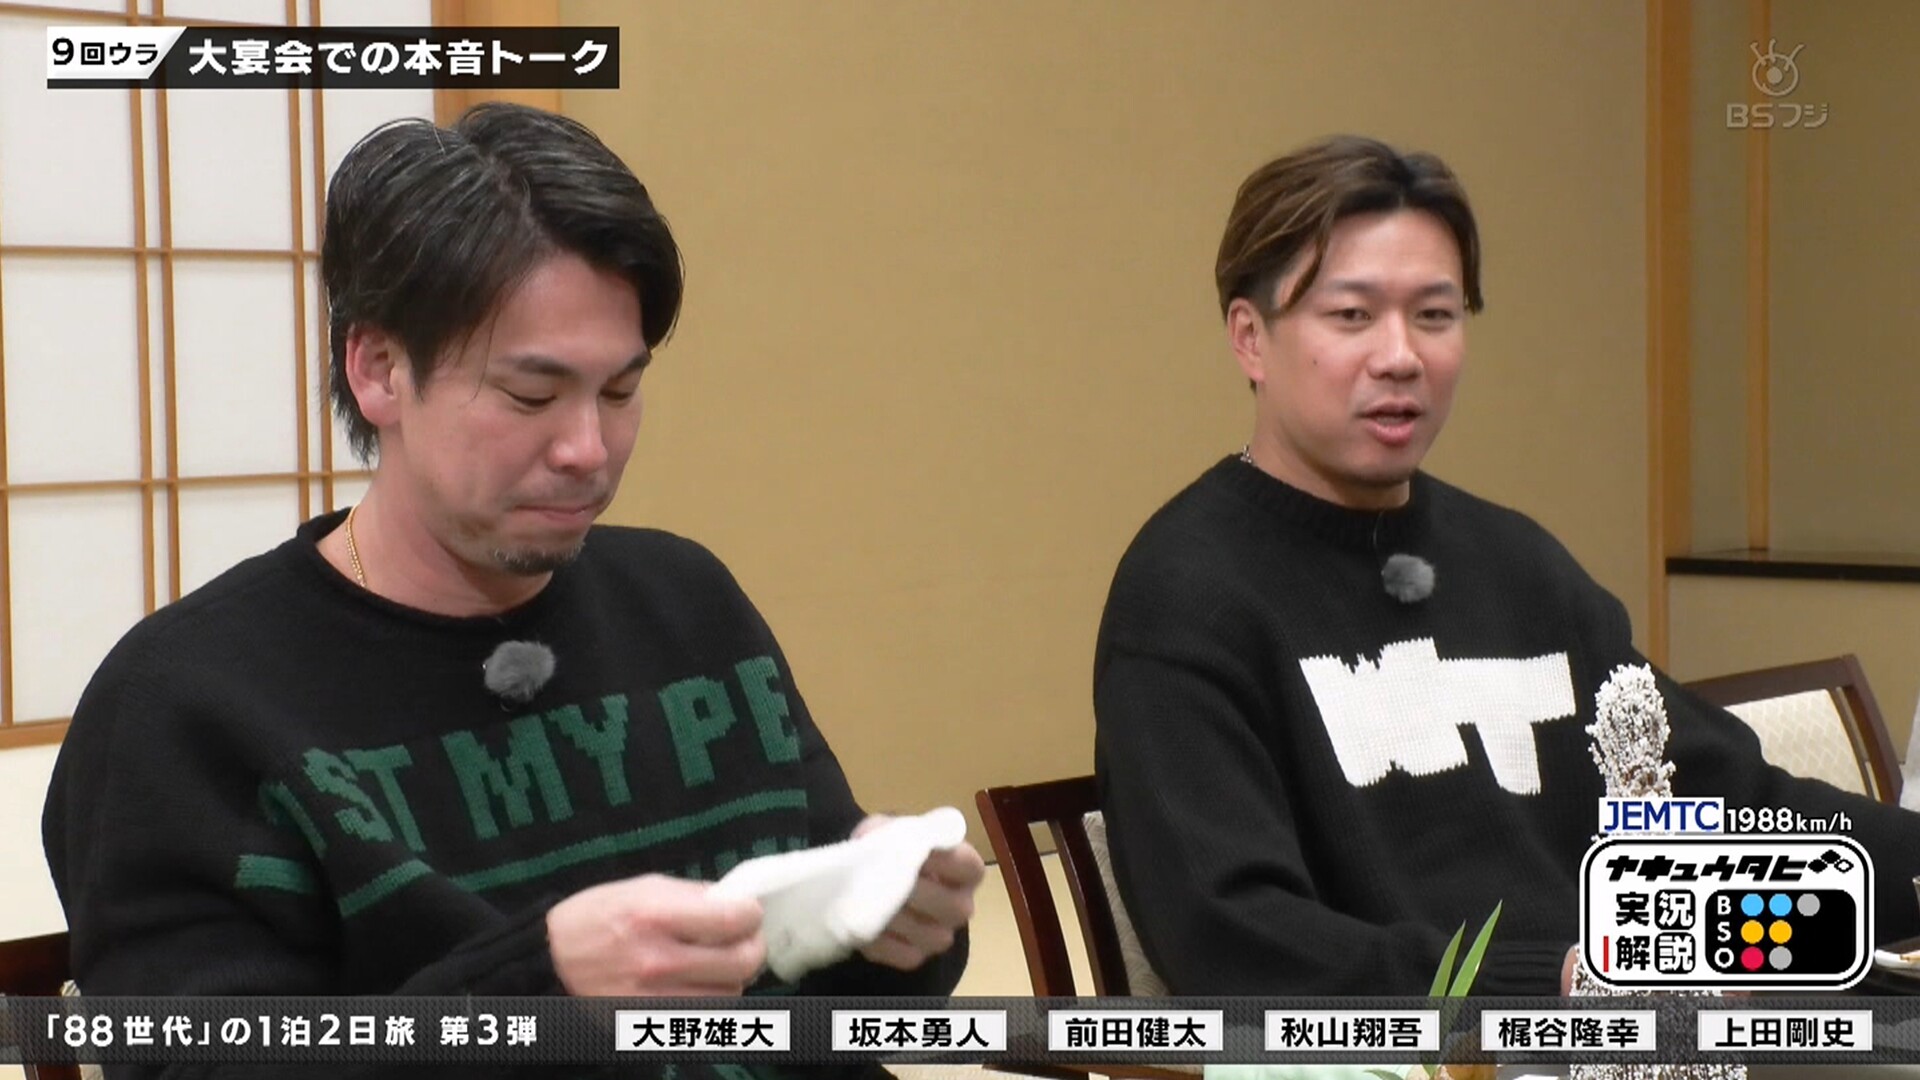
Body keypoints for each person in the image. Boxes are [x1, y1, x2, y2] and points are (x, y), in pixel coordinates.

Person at [42, 103, 981, 1078]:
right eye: (531, 395)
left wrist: (896, 929)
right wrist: (538, 989)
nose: (587, 449)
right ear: (378, 370)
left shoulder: (686, 602)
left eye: (619, 391)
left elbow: (827, 1010)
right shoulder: (187, 705)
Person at [1092, 134, 1920, 999]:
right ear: (1250, 338)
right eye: (1352, 315)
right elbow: (1231, 937)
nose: (1401, 355)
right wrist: (1557, 981)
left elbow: (1722, 804)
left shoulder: (1516, 564)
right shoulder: (1187, 595)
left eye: (1435, 315)